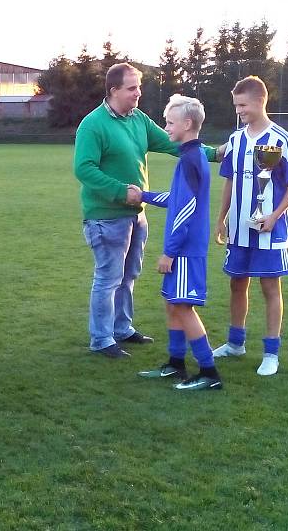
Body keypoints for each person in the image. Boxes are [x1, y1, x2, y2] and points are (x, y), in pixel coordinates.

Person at [73, 63, 221, 359]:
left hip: (136, 215)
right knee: (108, 278)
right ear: (114, 90)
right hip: (106, 217)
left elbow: (175, 143)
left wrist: (213, 153)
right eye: (132, 88)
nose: (138, 93)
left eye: (138, 87)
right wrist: (119, 191)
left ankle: (122, 328)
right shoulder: (93, 124)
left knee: (129, 276)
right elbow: (84, 169)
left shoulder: (138, 119)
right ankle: (101, 339)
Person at [213, 76, 288, 376]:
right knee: (236, 283)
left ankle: (270, 353)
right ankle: (235, 343)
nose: (238, 111)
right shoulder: (236, 140)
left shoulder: (282, 139)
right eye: (236, 105)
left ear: (259, 102)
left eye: (243, 105)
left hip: (269, 229)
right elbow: (229, 181)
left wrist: (274, 216)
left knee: (270, 287)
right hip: (239, 229)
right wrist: (222, 217)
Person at [134, 95, 222, 390]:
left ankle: (209, 373)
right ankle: (175, 364)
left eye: (170, 122)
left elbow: (185, 211)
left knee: (184, 308)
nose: (166, 127)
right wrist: (144, 196)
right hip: (185, 248)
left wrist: (169, 253)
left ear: (187, 124)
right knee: (173, 304)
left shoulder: (190, 160)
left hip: (185, 251)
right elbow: (177, 200)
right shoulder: (191, 156)